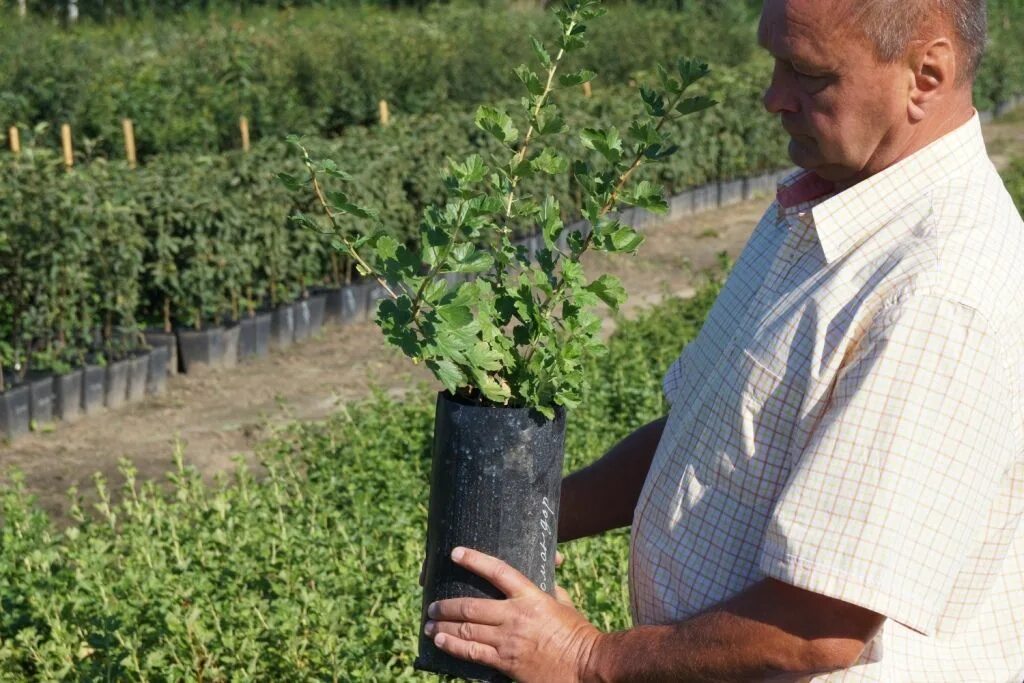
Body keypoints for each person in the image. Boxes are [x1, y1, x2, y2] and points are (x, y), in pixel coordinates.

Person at [422, 0, 1024, 680]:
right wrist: (521, 520)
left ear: (926, 74)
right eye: (774, 63)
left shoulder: (937, 296)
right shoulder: (824, 207)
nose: (774, 98)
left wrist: (586, 656)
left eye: (808, 73)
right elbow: (703, 434)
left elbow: (818, 628)